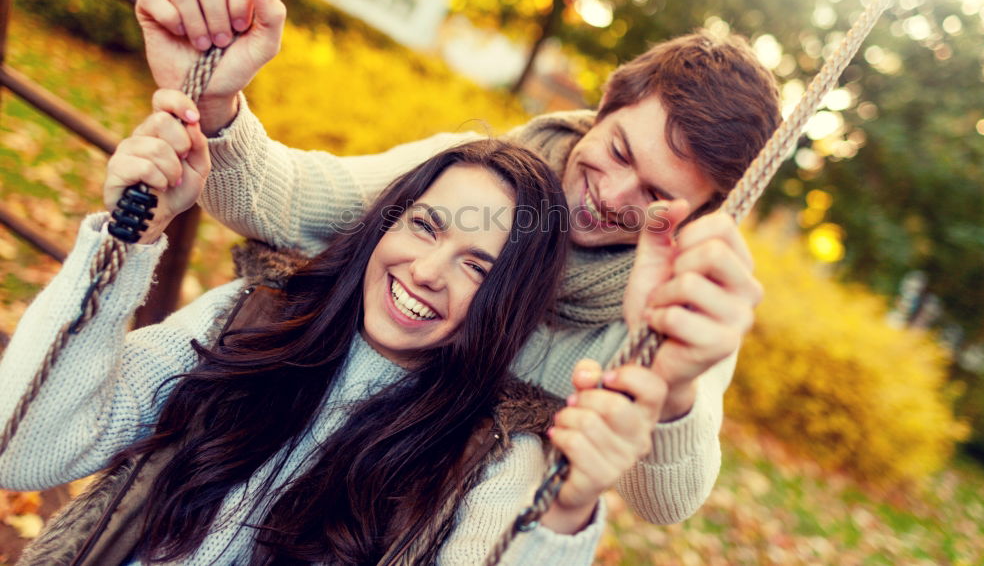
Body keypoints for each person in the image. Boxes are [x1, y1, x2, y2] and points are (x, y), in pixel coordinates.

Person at [133, 0, 781, 524]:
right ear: (604, 108)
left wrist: (670, 384)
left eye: (655, 195)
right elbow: (286, 204)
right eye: (616, 151)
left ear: (697, 213)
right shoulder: (474, 174)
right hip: (311, 480)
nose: (612, 194)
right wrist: (214, 107)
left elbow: (666, 504)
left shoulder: (677, 304)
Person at [0, 115, 669, 564]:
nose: (428, 273)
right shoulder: (249, 319)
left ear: (507, 306)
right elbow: (23, 449)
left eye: (477, 268)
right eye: (427, 227)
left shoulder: (493, 465)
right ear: (386, 222)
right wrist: (125, 241)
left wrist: (568, 512)